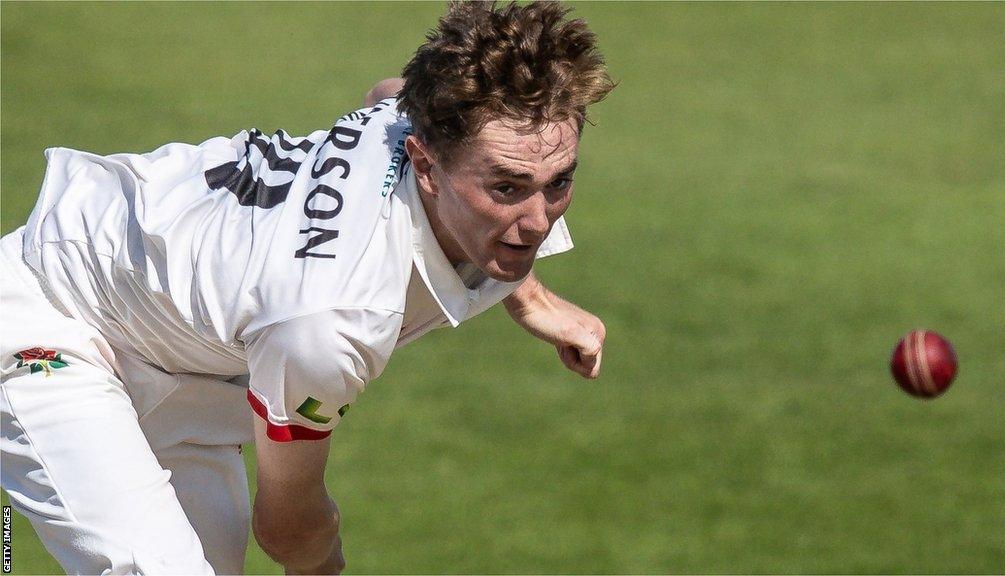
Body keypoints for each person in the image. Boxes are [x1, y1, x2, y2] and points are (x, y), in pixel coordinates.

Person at [0, 1, 614, 573]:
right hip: (53, 316)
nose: (538, 220)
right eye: (505, 188)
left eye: (559, 182)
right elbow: (289, 526)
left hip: (192, 363)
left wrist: (529, 296)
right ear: (426, 163)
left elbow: (388, 93)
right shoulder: (334, 318)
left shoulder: (416, 118)